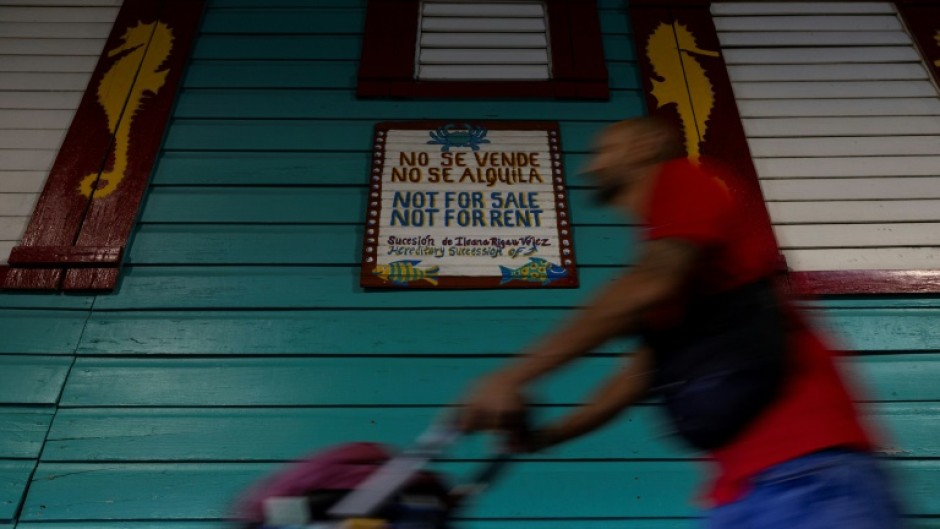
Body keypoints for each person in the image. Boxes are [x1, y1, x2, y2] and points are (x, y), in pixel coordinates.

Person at [458, 118, 902, 528]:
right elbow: (636, 377)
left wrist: (510, 377)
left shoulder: (683, 180)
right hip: (745, 490)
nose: (591, 166)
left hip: (810, 473)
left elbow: (647, 285)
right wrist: (544, 437)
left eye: (604, 150)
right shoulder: (679, 257)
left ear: (646, 145)